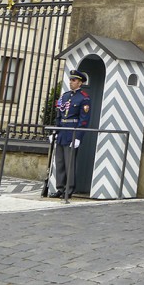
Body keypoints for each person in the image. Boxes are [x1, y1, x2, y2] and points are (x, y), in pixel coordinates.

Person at [51, 69, 91, 204]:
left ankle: (69, 189)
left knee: (69, 163)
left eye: (74, 80)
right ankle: (60, 188)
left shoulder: (84, 98)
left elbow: (84, 119)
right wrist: (55, 131)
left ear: (80, 82)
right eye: (70, 80)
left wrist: (78, 136)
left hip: (72, 132)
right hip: (62, 132)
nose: (71, 82)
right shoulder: (65, 96)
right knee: (60, 162)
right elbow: (59, 114)